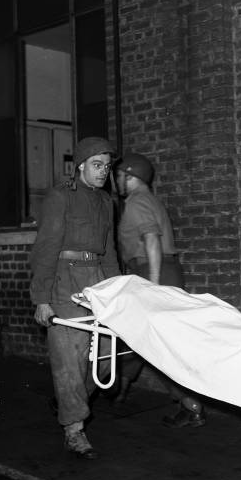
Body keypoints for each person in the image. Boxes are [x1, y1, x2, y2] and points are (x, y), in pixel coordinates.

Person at [30, 137, 121, 460]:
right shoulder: (60, 196)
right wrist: (42, 298)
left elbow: (110, 251)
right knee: (70, 360)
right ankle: (74, 430)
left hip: (96, 280)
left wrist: (116, 293)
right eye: (97, 165)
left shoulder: (106, 202)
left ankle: (69, 400)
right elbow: (46, 247)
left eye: (107, 166)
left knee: (106, 357)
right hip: (64, 280)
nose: (103, 171)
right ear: (81, 165)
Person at [115, 152, 205, 428]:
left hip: (153, 272)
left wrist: (152, 286)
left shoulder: (136, 203)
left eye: (119, 175)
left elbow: (151, 240)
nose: (116, 180)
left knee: (157, 346)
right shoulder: (151, 200)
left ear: (130, 177)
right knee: (142, 337)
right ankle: (120, 387)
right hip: (166, 271)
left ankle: (190, 405)